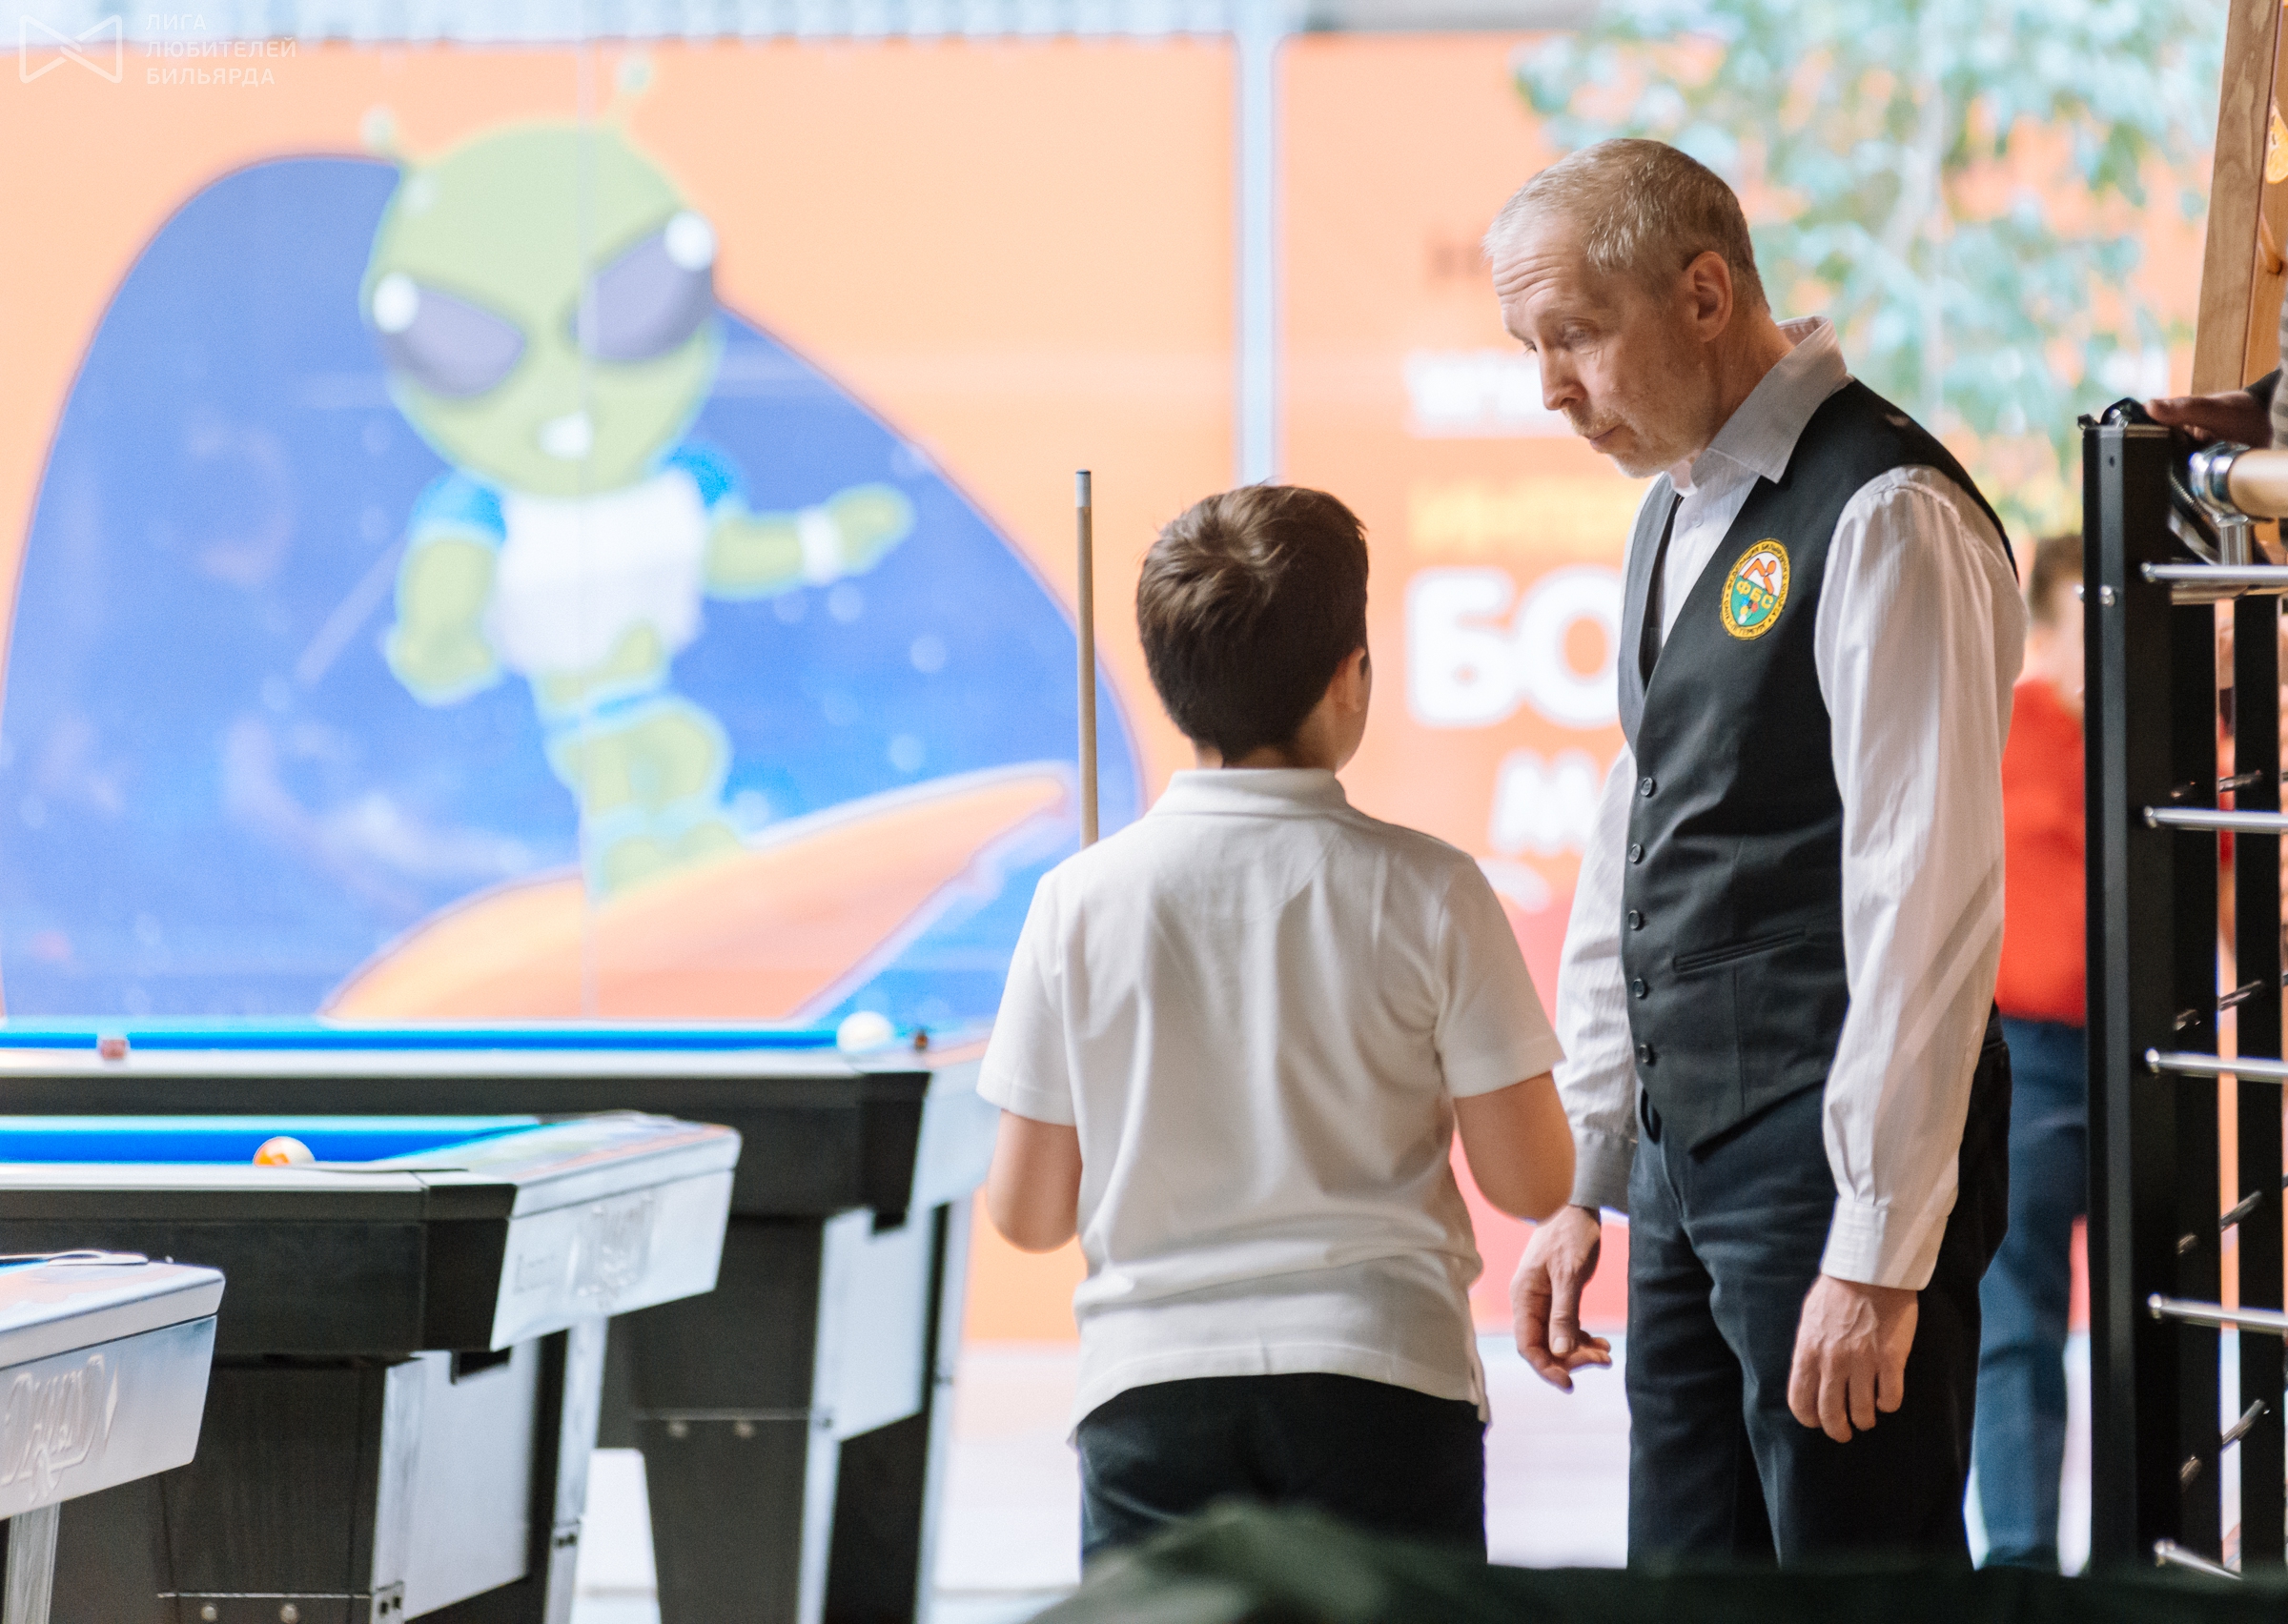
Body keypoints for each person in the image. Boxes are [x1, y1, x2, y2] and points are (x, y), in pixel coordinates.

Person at [1493, 138, 2025, 1562]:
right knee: (1687, 1576)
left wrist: (1878, 1248)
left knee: (1859, 1581)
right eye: (1529, 349)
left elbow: (1926, 903)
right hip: (1688, 1161)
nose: (1551, 389)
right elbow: (1639, 836)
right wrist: (1592, 1171)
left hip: (1826, 1158)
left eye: (1574, 335)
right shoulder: (1673, 510)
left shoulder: (1888, 509)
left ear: (1706, 295)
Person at [976, 484, 1582, 1562]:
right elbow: (1532, 1182)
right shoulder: (1436, 889)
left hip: (1150, 1390)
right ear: (1351, 679)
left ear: (1171, 683)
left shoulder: (1078, 902)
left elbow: (1027, 1214)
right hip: (1386, 1382)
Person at [1971, 533, 2086, 1570]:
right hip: (2027, 1059)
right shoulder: (1997, 730)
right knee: (2016, 1323)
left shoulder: (2176, 739)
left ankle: (2149, 1557)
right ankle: (2021, 1568)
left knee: (2158, 1322)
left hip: (2153, 1065)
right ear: (2044, 630)